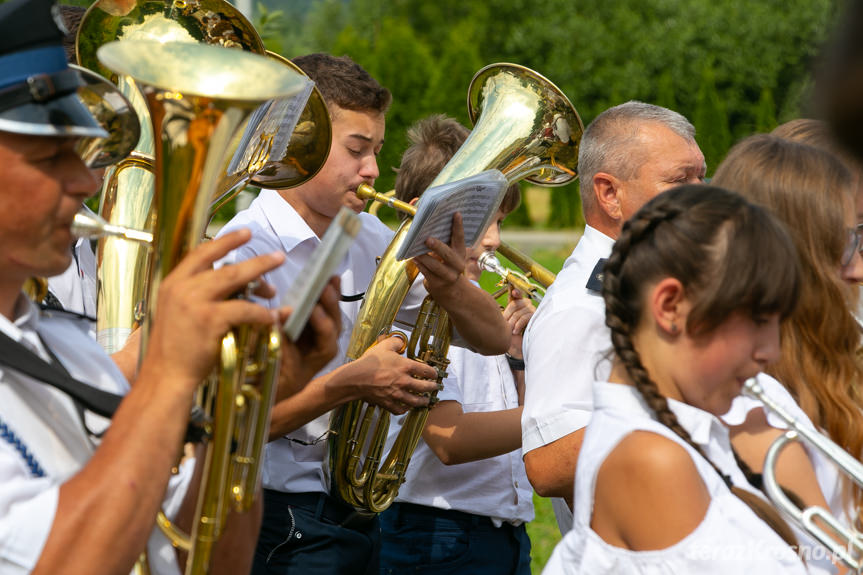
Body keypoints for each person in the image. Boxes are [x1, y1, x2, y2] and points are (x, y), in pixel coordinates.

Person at [0, 1, 340, 573]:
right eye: (52, 155)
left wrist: (240, 414)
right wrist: (170, 371)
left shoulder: (72, 351)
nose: (86, 178)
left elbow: (204, 561)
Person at [217, 55, 510, 575]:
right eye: (356, 150)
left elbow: (490, 340)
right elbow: (229, 427)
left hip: (355, 515)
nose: (373, 170)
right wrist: (349, 385)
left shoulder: (374, 239)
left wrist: (454, 289)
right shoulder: (239, 253)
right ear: (300, 141)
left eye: (375, 150)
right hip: (271, 519)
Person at [542, 184, 807, 574]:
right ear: (670, 307)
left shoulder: (677, 435)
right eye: (758, 321)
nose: (772, 351)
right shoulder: (651, 459)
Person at [520, 101, 706, 532]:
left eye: (701, 176)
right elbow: (548, 464)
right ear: (610, 195)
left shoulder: (658, 284)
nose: (700, 195)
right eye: (680, 181)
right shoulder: (581, 307)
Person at [379, 115, 534, 575]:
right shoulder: (413, 305)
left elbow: (517, 434)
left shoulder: (475, 307)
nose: (494, 241)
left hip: (500, 533)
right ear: (418, 214)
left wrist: (517, 359)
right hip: (437, 534)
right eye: (481, 221)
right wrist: (567, 414)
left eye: (500, 221)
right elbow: (449, 438)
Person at [712, 134, 863, 538]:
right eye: (845, 245)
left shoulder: (820, 363)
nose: (857, 271)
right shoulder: (751, 402)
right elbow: (830, 557)